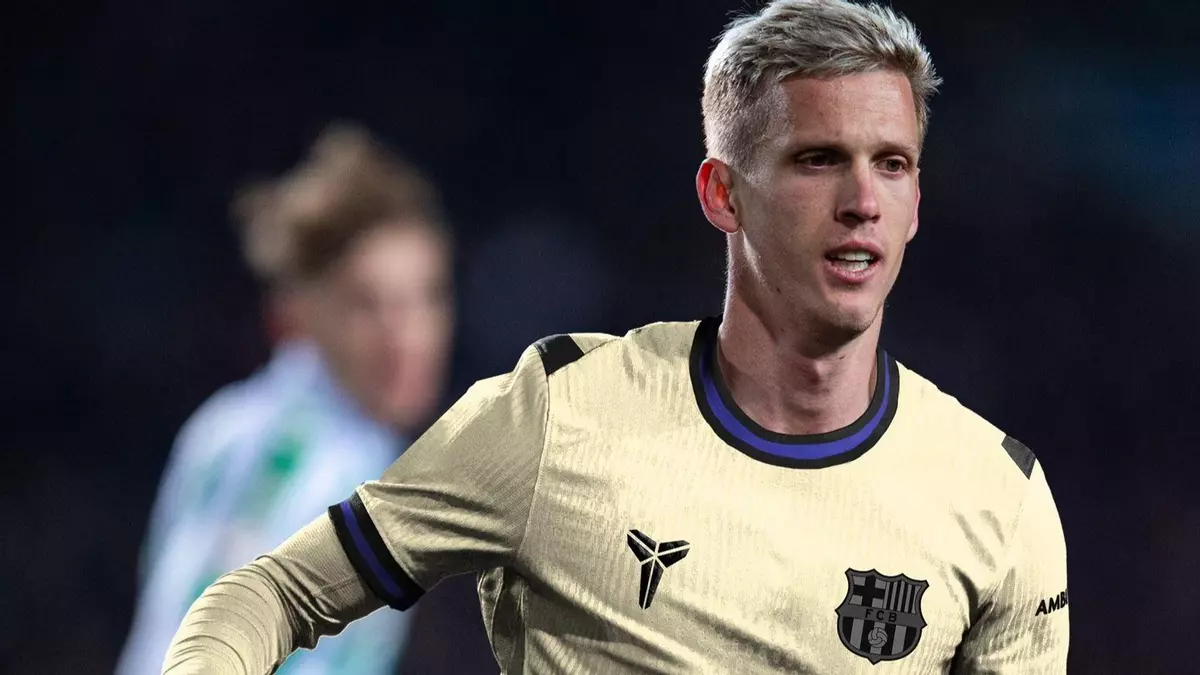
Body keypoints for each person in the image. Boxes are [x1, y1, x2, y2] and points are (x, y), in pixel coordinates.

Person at [162, 2, 1069, 672]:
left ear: (916, 203)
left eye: (892, 164)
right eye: (818, 159)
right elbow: (268, 593)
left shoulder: (998, 499)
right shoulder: (559, 416)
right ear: (723, 194)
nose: (863, 200)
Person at [117, 124, 455, 675]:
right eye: (367, 304)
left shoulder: (244, 428)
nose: (406, 335)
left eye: (425, 298)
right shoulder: (300, 456)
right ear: (299, 315)